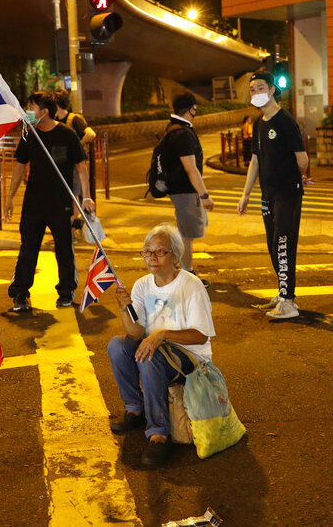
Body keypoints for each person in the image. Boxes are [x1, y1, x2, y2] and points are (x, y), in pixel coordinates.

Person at [107, 223, 215, 467]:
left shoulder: (190, 285)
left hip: (190, 354)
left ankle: (159, 434)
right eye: (148, 251)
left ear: (175, 255)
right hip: (155, 348)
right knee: (117, 346)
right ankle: (135, 409)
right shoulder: (143, 285)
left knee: (150, 357)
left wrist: (163, 335)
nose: (152, 256)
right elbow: (135, 333)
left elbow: (201, 336)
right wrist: (125, 309)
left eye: (160, 251)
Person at [5, 91, 95, 311]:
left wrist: (87, 197)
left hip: (60, 203)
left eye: (31, 106)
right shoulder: (29, 135)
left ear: (44, 111)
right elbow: (19, 168)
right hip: (33, 203)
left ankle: (66, 292)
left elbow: (81, 168)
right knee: (28, 249)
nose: (28, 110)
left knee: (64, 249)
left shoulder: (67, 135)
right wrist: (9, 198)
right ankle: (20, 293)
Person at [237, 72, 309, 320]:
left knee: (283, 245)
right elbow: (255, 161)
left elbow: (302, 158)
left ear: (272, 90)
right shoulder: (259, 123)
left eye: (260, 88)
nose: (256, 93)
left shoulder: (285, 121)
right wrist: (246, 194)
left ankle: (289, 302)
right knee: (272, 245)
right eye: (253, 89)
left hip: (286, 193)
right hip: (267, 194)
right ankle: (282, 293)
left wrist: (300, 176)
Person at [161, 92, 214, 282]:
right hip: (184, 190)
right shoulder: (182, 133)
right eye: (195, 107)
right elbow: (190, 168)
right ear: (191, 109)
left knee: (186, 232)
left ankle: (183, 269)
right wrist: (204, 194)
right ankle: (187, 273)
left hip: (181, 189)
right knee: (187, 234)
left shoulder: (174, 128)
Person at [53, 89, 96, 228]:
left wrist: (77, 145)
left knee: (73, 194)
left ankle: (71, 223)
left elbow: (91, 134)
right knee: (63, 195)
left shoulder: (73, 119)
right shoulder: (53, 119)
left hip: (74, 166)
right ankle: (71, 222)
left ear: (56, 103)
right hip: (59, 164)